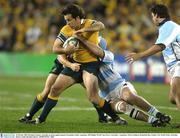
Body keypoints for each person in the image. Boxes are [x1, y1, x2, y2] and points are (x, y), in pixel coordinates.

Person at [27, 4, 126, 125]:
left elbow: (101, 25)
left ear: (78, 18)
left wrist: (83, 31)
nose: (67, 23)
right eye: (66, 20)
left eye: (69, 20)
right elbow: (55, 48)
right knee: (54, 89)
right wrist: (65, 51)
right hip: (75, 65)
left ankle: (115, 118)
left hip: (90, 65)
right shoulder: (66, 29)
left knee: (93, 97)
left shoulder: (90, 23)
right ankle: (40, 120)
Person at [75, 35, 171, 127]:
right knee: (122, 107)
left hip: (119, 86)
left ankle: (158, 114)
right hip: (107, 97)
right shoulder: (84, 64)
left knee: (129, 96)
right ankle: (153, 120)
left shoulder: (107, 55)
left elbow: (97, 55)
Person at [126, 4, 180, 110]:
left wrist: (140, 55)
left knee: (177, 94)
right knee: (172, 98)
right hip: (174, 67)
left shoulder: (168, 26)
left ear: (157, 16)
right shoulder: (170, 26)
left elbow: (159, 46)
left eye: (152, 16)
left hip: (178, 64)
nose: (152, 19)